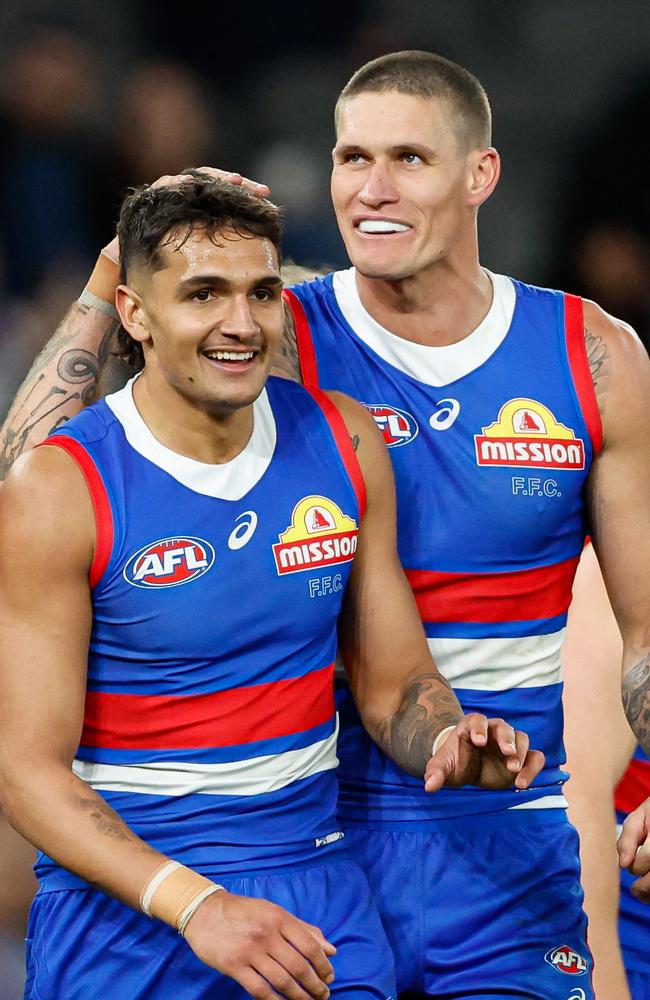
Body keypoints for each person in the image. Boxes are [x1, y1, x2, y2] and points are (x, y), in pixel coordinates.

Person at [4, 49, 650, 998]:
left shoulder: (591, 356)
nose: (371, 189)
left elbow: (644, 629)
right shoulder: (276, 335)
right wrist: (121, 260)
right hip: (318, 827)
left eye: (408, 159)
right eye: (351, 158)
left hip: (496, 818)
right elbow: (50, 470)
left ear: (482, 174)